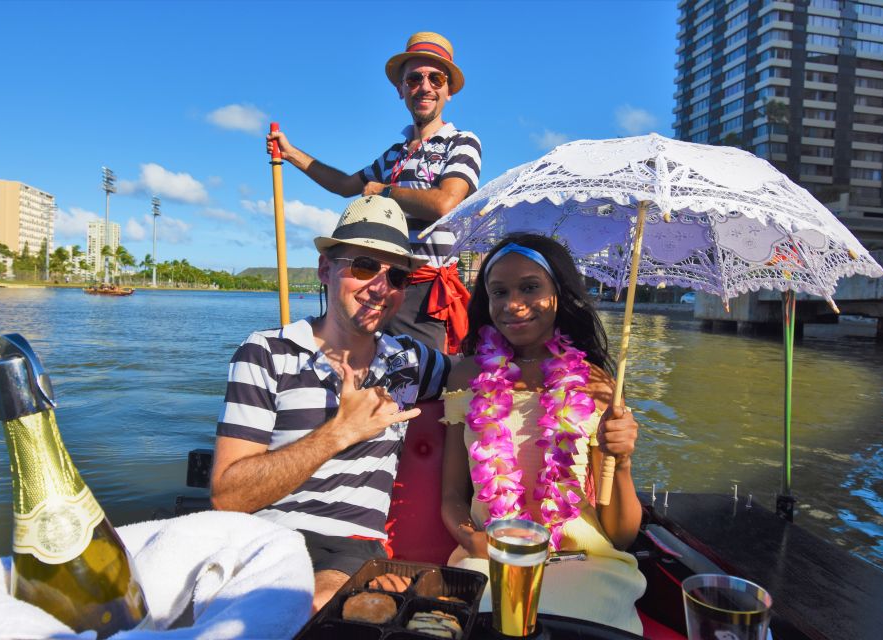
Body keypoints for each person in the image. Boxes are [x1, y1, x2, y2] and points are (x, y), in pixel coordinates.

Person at [210, 195, 451, 612]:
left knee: (316, 604)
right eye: (363, 267)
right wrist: (340, 431)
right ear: (325, 269)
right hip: (261, 537)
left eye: (396, 277)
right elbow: (226, 497)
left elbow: (500, 368)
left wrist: (582, 374)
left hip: (350, 546)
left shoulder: (408, 361)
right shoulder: (267, 352)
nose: (380, 287)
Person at [439, 234, 646, 634]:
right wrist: (471, 540)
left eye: (530, 287)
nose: (512, 305)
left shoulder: (599, 385)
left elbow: (620, 536)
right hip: (492, 558)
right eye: (499, 292)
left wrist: (622, 461)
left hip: (587, 563)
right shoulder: (467, 377)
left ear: (559, 295)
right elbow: (451, 495)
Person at [266, 31, 481, 354]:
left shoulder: (461, 142)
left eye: (435, 78)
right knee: (361, 371)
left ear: (448, 90)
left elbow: (445, 203)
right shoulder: (394, 154)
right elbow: (344, 186)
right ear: (400, 90)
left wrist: (385, 191)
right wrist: (291, 153)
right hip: (379, 281)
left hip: (423, 291)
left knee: (420, 380)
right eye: (414, 79)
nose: (424, 87)